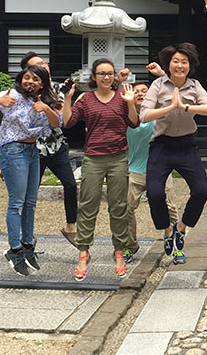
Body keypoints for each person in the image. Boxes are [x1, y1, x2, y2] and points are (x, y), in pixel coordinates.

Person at [0, 64, 61, 276]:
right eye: (27, 77)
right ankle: (14, 249)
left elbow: (55, 124)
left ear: (42, 83)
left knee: (31, 202)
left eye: (35, 79)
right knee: (16, 202)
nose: (30, 82)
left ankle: (27, 246)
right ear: (21, 78)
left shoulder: (41, 101)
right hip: (13, 150)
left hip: (33, 150)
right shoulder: (10, 94)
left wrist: (46, 108)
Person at [140, 43, 207, 265]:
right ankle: (166, 230)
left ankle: (181, 228)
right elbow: (144, 115)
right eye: (176, 61)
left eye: (184, 62)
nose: (180, 65)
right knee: (154, 193)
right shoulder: (158, 85)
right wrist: (169, 107)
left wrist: (185, 107)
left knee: (202, 190)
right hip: (161, 146)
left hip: (186, 146)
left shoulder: (194, 86)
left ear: (189, 66)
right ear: (169, 64)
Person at [63, 59, 139, 281]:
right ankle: (83, 252)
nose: (106, 77)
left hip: (118, 157)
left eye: (110, 73)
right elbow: (68, 122)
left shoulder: (122, 97)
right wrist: (68, 99)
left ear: (114, 76)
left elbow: (134, 123)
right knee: (88, 206)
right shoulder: (86, 99)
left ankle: (119, 252)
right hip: (94, 158)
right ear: (93, 77)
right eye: (101, 74)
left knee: (119, 207)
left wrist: (131, 103)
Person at [19, 52, 78, 247]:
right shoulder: (22, 91)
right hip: (33, 147)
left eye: (43, 63)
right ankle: (28, 234)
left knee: (70, 185)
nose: (43, 66)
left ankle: (71, 227)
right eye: (36, 65)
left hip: (55, 145)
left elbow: (61, 118)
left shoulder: (59, 88)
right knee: (30, 192)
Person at [123, 83, 178, 263]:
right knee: (126, 208)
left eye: (144, 91)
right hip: (134, 170)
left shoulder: (159, 114)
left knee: (170, 208)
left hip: (161, 168)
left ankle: (175, 243)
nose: (139, 93)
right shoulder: (126, 116)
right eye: (136, 91)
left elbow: (171, 93)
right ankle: (130, 245)